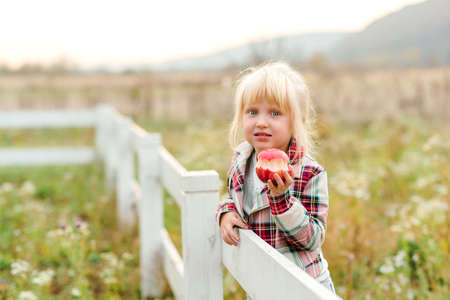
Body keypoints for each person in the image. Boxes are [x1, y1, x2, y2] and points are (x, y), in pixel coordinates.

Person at [216, 61, 336, 297]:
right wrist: (227, 211)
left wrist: (282, 200)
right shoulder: (242, 160)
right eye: (252, 112)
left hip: (301, 287)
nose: (261, 122)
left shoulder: (308, 172)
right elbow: (234, 196)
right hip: (260, 283)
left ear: (296, 121)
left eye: (275, 113)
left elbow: (312, 240)